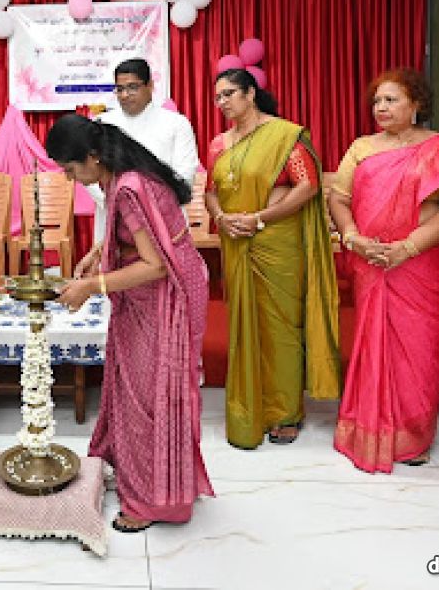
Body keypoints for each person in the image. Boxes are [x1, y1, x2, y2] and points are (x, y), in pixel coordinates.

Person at [49, 114, 213, 533]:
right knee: (136, 386)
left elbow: (156, 264)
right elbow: (137, 238)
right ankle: (160, 479)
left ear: (92, 156)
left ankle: (154, 500)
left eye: (70, 169)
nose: (70, 179)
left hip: (166, 295)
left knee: (151, 396)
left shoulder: (128, 189)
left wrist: (93, 285)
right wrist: (99, 253)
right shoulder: (119, 175)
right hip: (157, 289)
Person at [328, 68, 439, 473]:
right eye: (377, 101)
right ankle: (366, 429)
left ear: (416, 104)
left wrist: (408, 247)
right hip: (371, 261)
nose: (381, 107)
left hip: (421, 265)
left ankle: (413, 436)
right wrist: (353, 237)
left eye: (391, 99)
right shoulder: (361, 148)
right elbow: (338, 198)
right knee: (372, 344)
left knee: (419, 351)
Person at [204, 68, 340, 449]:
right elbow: (211, 191)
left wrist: (260, 218)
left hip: (276, 243)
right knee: (244, 326)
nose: (222, 102)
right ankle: (250, 405)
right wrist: (220, 217)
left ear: (250, 93)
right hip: (236, 241)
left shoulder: (284, 136)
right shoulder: (219, 144)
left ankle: (284, 413)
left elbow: (307, 185)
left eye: (229, 93)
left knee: (280, 329)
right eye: (218, 96)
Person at [77, 58, 200, 277]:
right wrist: (118, 202)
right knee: (116, 286)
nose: (125, 95)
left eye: (132, 87)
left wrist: (144, 206)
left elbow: (185, 174)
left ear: (150, 85)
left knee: (166, 286)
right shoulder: (102, 124)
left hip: (164, 221)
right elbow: (89, 173)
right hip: (113, 221)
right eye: (120, 89)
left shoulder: (176, 124)